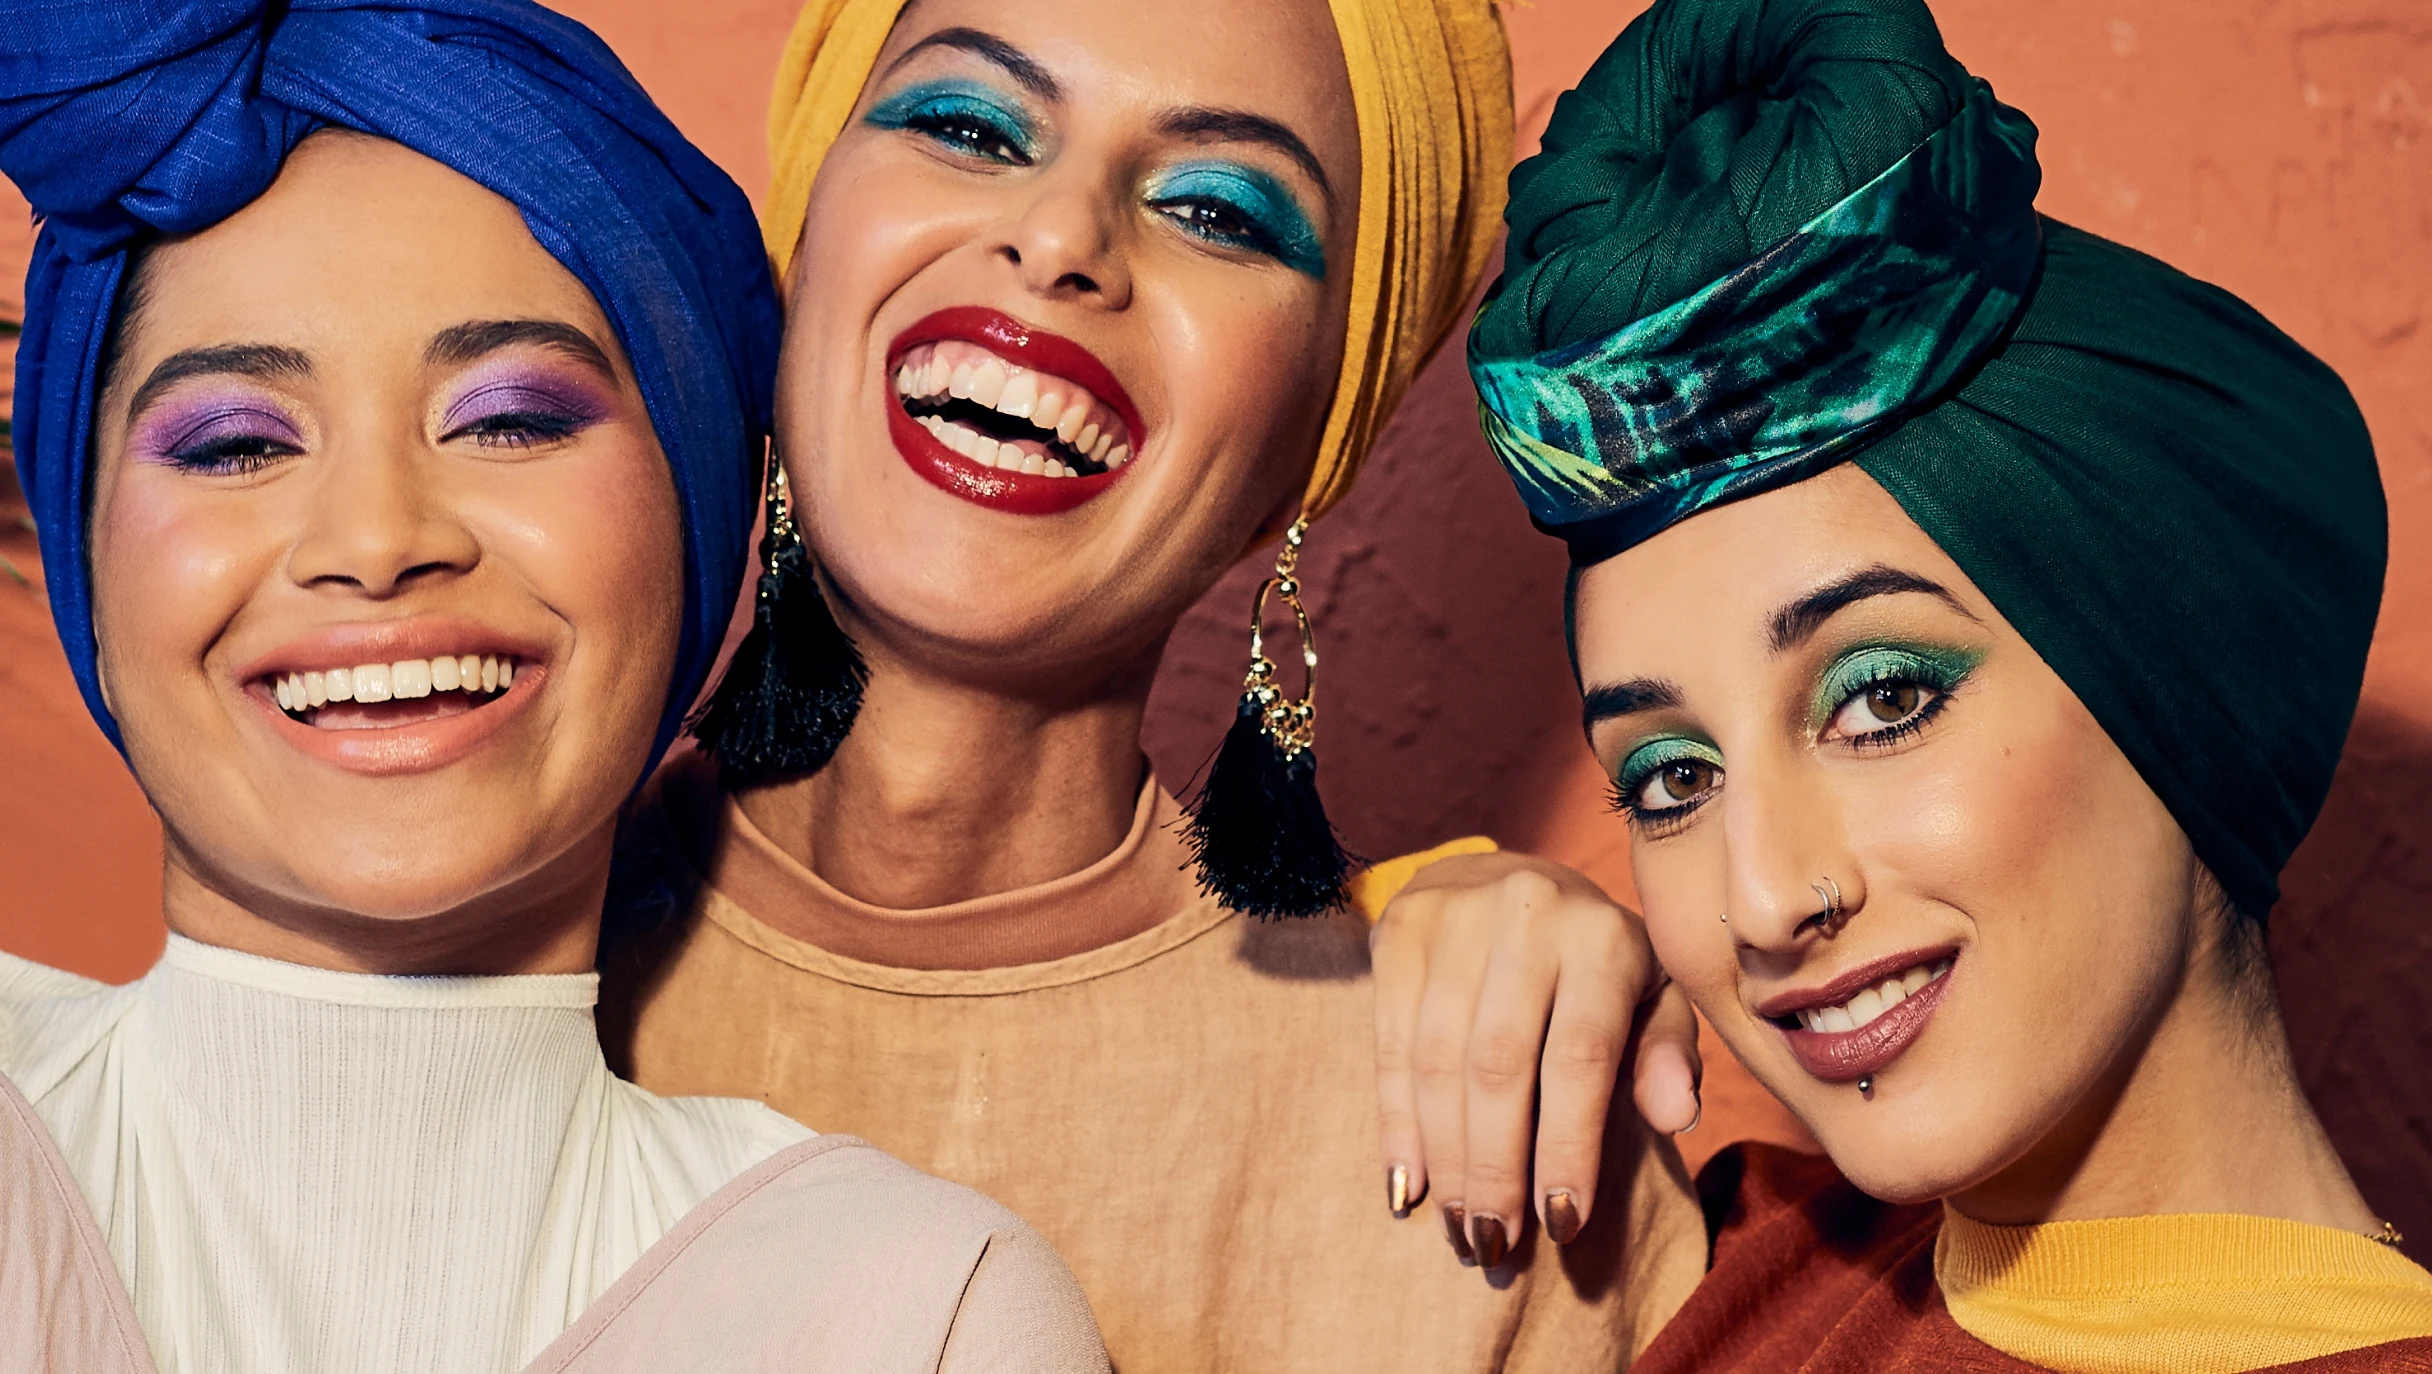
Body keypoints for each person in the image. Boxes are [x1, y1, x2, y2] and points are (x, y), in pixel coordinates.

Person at [598, 0, 1709, 1366]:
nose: (1062, 239)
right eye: (966, 124)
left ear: (1323, 426)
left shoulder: (1496, 1127)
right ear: (808, 233)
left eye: (1222, 212)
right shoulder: (436, 937)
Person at [0, 2, 1104, 1369]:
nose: (377, 538)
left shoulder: (920, 1311)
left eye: (511, 419)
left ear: (700, 519)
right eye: (233, 442)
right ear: (92, 562)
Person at [1454, 0, 2432, 1367]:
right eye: (1673, 775)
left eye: (1884, 698)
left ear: (2172, 674)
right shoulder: (1694, 1277)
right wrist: (1396, 943)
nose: (1765, 896)